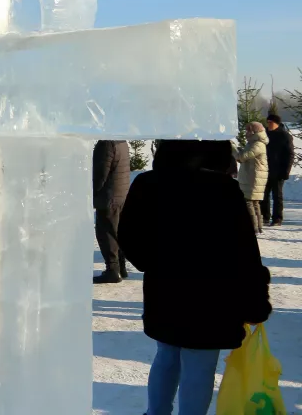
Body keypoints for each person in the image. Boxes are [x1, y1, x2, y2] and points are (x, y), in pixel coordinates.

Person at [119, 140, 271, 415]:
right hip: (212, 295)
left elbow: (129, 237)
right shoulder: (223, 189)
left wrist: (157, 263)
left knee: (166, 355)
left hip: (164, 289)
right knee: (199, 365)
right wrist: (255, 303)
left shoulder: (148, 183)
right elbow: (245, 253)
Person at [92, 140, 131, 284]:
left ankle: (113, 270)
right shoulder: (122, 141)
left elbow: (100, 173)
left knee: (106, 233)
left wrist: (92, 192)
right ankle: (121, 267)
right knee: (117, 231)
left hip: (108, 195)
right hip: (121, 193)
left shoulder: (106, 144)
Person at [235, 122, 269, 234]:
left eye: (248, 131)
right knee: (254, 203)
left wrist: (232, 148)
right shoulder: (254, 143)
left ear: (254, 132)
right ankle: (258, 227)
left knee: (249, 202)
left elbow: (242, 157)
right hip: (252, 176)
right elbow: (245, 154)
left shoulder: (257, 144)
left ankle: (253, 227)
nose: (246, 133)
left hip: (254, 177)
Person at [263, 113, 294, 227]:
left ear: (276, 123)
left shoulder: (284, 136)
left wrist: (286, 171)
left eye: (271, 122)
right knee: (263, 194)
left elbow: (290, 154)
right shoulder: (264, 134)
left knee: (277, 196)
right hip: (265, 169)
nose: (268, 125)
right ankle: (265, 216)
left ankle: (277, 219)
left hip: (279, 171)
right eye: (267, 122)